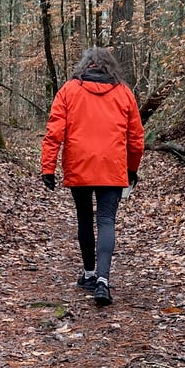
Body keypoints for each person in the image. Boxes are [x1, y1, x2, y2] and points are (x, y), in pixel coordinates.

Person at [40, 46, 145, 306]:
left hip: (80, 165)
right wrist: (131, 169)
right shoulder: (124, 93)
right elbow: (136, 140)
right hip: (112, 166)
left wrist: (48, 167)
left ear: (85, 65)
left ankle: (89, 273)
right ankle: (103, 280)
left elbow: (54, 132)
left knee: (85, 217)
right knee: (107, 220)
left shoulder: (69, 90)